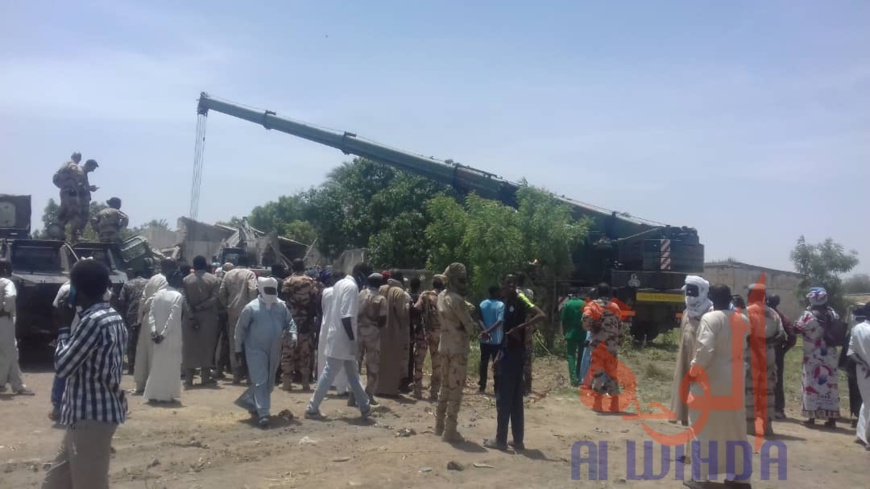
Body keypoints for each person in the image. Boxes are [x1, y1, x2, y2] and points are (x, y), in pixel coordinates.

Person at [42, 259, 126, 489]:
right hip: (84, 417)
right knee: (54, 484)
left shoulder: (92, 322)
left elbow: (64, 366)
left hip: (90, 419)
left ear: (76, 289)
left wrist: (63, 328)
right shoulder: (112, 316)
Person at [683, 284, 750, 489]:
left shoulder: (710, 318)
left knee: (702, 427)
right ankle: (739, 479)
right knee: (735, 429)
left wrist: (693, 372)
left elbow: (705, 349)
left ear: (710, 297)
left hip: (711, 379)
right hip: (736, 379)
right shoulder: (743, 319)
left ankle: (701, 478)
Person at [484, 274, 545, 451]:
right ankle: (518, 441)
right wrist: (497, 357)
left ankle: (500, 440)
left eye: (512, 284)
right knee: (516, 400)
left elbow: (541, 315)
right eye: (506, 284)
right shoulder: (508, 303)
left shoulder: (520, 299)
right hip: (510, 352)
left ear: (516, 286)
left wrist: (521, 328)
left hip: (514, 355)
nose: (508, 287)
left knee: (505, 399)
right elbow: (505, 333)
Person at [305, 268, 372, 419]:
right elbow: (346, 317)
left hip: (336, 334)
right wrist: (352, 340)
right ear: (360, 276)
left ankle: (364, 406)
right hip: (343, 337)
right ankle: (312, 407)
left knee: (352, 372)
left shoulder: (340, 284)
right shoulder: (351, 287)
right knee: (330, 372)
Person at [234, 277, 297, 428]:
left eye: (272, 290)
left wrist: (293, 334)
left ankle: (252, 403)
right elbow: (240, 329)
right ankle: (264, 414)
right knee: (260, 379)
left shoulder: (281, 306)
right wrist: (237, 348)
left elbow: (290, 322)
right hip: (255, 349)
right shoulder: (251, 308)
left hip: (275, 348)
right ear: (261, 290)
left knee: (268, 382)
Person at [431, 263, 476, 443]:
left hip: (444, 345)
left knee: (444, 386)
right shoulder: (457, 300)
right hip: (458, 348)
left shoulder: (441, 296)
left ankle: (439, 425)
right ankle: (450, 431)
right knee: (455, 388)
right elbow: (469, 327)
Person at [793, 287, 843, 428]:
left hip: (813, 354)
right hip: (830, 354)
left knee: (811, 383)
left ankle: (811, 416)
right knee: (830, 385)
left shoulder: (808, 315)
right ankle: (831, 418)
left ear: (812, 298)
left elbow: (797, 329)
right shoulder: (833, 313)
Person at [744, 283, 786, 437]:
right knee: (767, 390)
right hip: (768, 356)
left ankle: (749, 427)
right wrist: (767, 343)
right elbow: (782, 335)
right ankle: (767, 426)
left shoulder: (746, 312)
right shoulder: (773, 313)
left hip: (750, 356)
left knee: (749, 389)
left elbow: (742, 335)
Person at [669, 275, 713, 426]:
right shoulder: (687, 311)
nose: (690, 295)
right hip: (685, 350)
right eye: (688, 291)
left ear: (702, 291)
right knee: (682, 379)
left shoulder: (710, 310)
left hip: (700, 351)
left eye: (694, 291)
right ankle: (682, 415)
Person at [143, 270, 188, 403]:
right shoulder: (177, 296)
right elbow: (173, 317)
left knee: (157, 364)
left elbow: (151, 314)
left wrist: (153, 331)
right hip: (170, 336)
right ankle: (167, 395)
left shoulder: (157, 294)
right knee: (171, 366)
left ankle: (154, 394)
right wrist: (163, 334)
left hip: (156, 336)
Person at [133, 258, 176, 394]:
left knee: (144, 351)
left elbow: (143, 299)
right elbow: (154, 299)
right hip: (158, 319)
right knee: (156, 353)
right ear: (171, 267)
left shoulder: (153, 278)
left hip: (147, 319)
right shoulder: (166, 280)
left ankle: (141, 384)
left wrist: (140, 318)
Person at [582, 282, 624, 412]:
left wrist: (591, 327)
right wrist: (620, 339)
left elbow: (585, 318)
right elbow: (619, 325)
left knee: (598, 373)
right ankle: (615, 405)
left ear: (598, 293)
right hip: (611, 345)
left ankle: (598, 404)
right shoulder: (615, 307)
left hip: (598, 345)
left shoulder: (593, 306)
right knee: (612, 373)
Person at [182, 256, 222, 387]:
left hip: (189, 318)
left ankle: (189, 379)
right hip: (208, 317)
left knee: (189, 347)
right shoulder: (214, 279)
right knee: (207, 346)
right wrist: (201, 307)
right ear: (205, 265)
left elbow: (184, 300)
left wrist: (191, 314)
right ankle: (205, 378)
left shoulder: (186, 280)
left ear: (194, 265)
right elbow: (215, 298)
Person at [281, 259, 319, 391]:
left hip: (290, 321)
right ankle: (305, 383)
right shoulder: (310, 281)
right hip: (305, 321)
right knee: (305, 351)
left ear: (292, 267)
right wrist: (308, 319)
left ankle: (287, 383)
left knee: (288, 351)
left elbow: (284, 301)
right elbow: (314, 302)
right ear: (304, 267)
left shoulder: (287, 281)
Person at [219, 256, 258, 384]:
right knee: (249, 343)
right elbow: (253, 290)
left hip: (232, 313)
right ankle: (249, 375)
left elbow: (221, 293)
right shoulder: (250, 274)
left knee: (234, 343)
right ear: (247, 264)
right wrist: (252, 307)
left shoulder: (228, 274)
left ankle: (236, 375)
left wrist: (227, 306)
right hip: (247, 313)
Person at [0, 260, 34, 395]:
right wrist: (5, 309)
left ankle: (18, 385)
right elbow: (10, 296)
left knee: (12, 352)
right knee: (8, 353)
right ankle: (1, 383)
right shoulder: (7, 283)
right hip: (3, 321)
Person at [375, 270, 411, 396]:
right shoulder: (400, 292)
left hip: (380, 329)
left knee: (381, 360)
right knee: (393, 360)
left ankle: (378, 388)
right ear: (400, 279)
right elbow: (402, 313)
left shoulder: (381, 288)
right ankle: (390, 390)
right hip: (394, 331)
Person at [52, 153, 99, 242]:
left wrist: (89, 188)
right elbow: (78, 180)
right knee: (76, 215)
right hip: (72, 193)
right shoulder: (76, 167)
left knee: (64, 214)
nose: (93, 170)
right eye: (93, 168)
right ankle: (75, 235)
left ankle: (58, 234)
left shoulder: (70, 167)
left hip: (66, 193)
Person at [316, 269, 349, 395]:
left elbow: (321, 309)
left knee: (324, 356)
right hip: (340, 327)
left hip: (326, 326)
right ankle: (341, 387)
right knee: (341, 358)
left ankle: (323, 385)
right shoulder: (346, 292)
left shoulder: (325, 292)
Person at [413, 274, 445, 400]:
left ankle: (417, 391)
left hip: (425, 332)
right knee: (437, 364)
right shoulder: (445, 298)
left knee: (419, 361)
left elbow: (416, 308)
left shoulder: (425, 295)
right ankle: (434, 392)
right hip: (439, 333)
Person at [357, 272, 387, 405]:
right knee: (372, 364)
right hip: (373, 333)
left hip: (358, 331)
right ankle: (369, 394)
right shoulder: (381, 299)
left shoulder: (361, 294)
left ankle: (354, 393)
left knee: (356, 363)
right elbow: (382, 319)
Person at [766, 294, 797, 419]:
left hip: (767, 350)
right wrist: (784, 350)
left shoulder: (770, 316)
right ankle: (778, 409)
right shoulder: (783, 317)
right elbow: (792, 336)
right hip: (778, 352)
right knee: (777, 379)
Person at [117, 265, 150, 375]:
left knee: (132, 341)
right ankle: (146, 367)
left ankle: (132, 367)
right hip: (147, 313)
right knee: (147, 340)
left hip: (131, 315)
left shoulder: (128, 284)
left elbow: (121, 300)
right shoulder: (149, 282)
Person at [846, 304, 870, 448]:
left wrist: (863, 364)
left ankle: (861, 434)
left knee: (867, 401)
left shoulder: (856, 328)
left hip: (862, 371)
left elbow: (851, 353)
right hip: (866, 370)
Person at [478, 285, 505, 394]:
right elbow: (499, 321)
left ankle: (482, 386)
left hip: (484, 340)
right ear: (495, 292)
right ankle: (497, 387)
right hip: (497, 340)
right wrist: (489, 331)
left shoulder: (482, 304)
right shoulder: (500, 305)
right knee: (497, 363)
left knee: (483, 362)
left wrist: (485, 331)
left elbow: (479, 319)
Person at [560, 290, 587, 387]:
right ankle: (579, 375)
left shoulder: (567, 304)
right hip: (582, 333)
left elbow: (563, 320)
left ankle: (573, 378)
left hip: (571, 333)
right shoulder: (584, 304)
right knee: (581, 355)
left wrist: (563, 333)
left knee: (571, 355)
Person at [516, 273, 535, 395]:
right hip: (528, 324)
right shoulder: (530, 292)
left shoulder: (515, 292)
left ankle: (518, 386)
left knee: (516, 355)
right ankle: (528, 387)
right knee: (527, 356)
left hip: (517, 324)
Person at [408, 276, 425, 398]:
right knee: (416, 356)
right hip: (418, 328)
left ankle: (408, 378)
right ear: (419, 286)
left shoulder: (407, 296)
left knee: (408, 353)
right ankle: (412, 379)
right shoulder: (421, 298)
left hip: (408, 328)